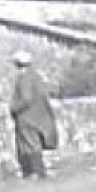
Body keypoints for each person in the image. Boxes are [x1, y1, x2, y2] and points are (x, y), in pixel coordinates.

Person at [9, 51, 59, 179]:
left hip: (27, 118)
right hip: (39, 117)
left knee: (31, 146)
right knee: (33, 146)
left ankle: (37, 173)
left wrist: (14, 108)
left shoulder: (24, 78)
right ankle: (38, 173)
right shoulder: (36, 76)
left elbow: (26, 98)